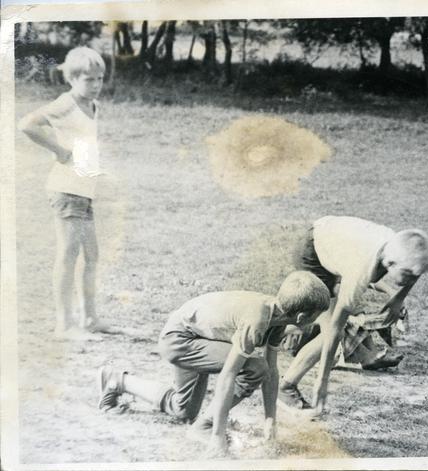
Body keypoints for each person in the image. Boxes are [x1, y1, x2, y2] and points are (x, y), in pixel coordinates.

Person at [96, 271, 331, 456]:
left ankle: (117, 380)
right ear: (301, 317)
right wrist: (217, 436)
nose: (317, 320)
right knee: (253, 367)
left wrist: (270, 419)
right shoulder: (257, 319)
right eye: (316, 315)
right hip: (180, 340)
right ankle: (206, 426)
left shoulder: (278, 317)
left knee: (183, 409)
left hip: (197, 336)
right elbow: (230, 374)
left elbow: (271, 373)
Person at [278, 216, 428, 414]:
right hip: (313, 252)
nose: (412, 278)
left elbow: (418, 268)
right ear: (390, 263)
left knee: (344, 311)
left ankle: (365, 356)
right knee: (331, 329)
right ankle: (286, 386)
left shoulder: (401, 247)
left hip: (335, 242)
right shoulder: (360, 267)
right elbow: (335, 327)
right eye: (408, 274)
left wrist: (398, 298)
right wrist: (322, 381)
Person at [18, 46, 111, 340]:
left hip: (83, 191)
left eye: (99, 79)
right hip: (65, 189)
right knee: (68, 254)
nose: (95, 85)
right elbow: (27, 125)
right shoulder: (65, 103)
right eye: (89, 80)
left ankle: (90, 318)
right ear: (72, 79)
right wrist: (58, 151)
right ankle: (64, 325)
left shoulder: (94, 106)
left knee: (92, 255)